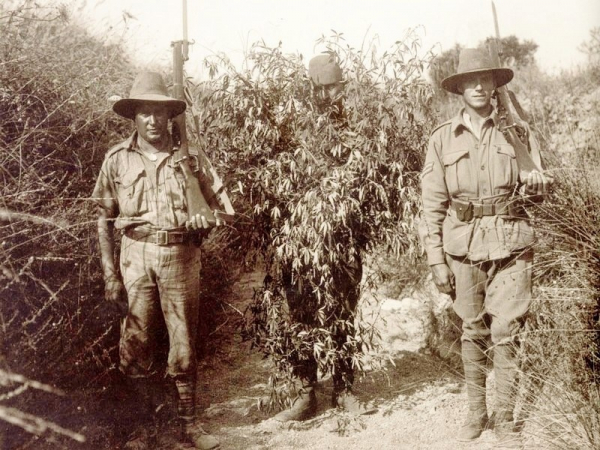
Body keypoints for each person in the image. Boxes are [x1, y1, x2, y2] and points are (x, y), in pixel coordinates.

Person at [419, 48, 551, 446]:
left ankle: (506, 418)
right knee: (473, 330)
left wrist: (539, 186)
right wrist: (436, 261)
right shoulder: (442, 139)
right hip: (463, 247)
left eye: (485, 79)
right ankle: (476, 414)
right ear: (459, 88)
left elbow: (537, 189)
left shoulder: (519, 132)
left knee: (508, 330)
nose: (478, 86)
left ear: (496, 85)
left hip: (512, 241)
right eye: (469, 80)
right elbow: (431, 206)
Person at [93, 71, 220, 450]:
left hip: (181, 255)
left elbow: (219, 209)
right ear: (134, 116)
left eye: (159, 112)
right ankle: (143, 429)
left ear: (170, 117)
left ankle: (188, 427)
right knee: (135, 343)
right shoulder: (116, 159)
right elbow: (103, 217)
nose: (153, 120)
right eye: (145, 112)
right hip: (134, 255)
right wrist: (109, 273)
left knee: (183, 342)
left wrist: (203, 223)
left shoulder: (193, 159)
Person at [272, 54, 376, 422]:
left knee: (344, 312)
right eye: (323, 87)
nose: (329, 94)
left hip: (343, 242)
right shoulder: (289, 129)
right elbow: (274, 184)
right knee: (300, 313)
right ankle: (305, 394)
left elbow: (369, 183)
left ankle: (344, 390)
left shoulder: (356, 128)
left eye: (335, 87)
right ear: (311, 89)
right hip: (300, 244)